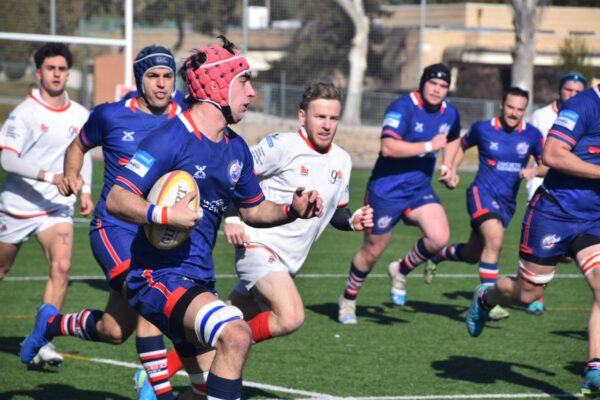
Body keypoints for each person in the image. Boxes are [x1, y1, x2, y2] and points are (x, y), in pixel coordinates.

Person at [25, 36, 322, 400]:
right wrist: (165, 214)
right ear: (217, 86)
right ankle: (154, 388)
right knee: (237, 334)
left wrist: (292, 209)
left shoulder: (236, 148)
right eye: (244, 82)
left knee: (198, 388)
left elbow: (254, 210)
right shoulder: (170, 138)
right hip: (157, 277)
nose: (252, 94)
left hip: (197, 279)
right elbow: (118, 197)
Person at [21, 45, 184, 400]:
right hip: (115, 229)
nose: (161, 84)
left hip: (158, 232)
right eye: (153, 76)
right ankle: (156, 390)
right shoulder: (110, 115)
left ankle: (51, 322)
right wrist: (72, 175)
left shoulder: (185, 113)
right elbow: (78, 146)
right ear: (140, 80)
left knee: (114, 330)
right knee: (150, 294)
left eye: (167, 76)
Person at [464, 84, 600, 397]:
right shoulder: (583, 105)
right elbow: (552, 154)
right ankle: (486, 298)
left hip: (593, 219)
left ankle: (594, 367)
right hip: (554, 212)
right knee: (528, 295)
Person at [223, 81, 373, 344]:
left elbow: (337, 212)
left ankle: (167, 366)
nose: (327, 125)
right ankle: (229, 348)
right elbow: (236, 173)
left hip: (290, 262)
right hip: (257, 246)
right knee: (290, 316)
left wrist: (351, 220)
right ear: (302, 117)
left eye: (333, 118)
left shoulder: (342, 160)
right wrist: (233, 217)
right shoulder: (282, 145)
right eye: (320, 117)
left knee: (226, 320)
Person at [337, 63, 461, 324]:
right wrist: (428, 145)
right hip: (386, 191)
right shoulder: (402, 107)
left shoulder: (450, 113)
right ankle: (348, 299)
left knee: (439, 238)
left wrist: (449, 166)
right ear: (422, 82)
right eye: (433, 84)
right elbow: (388, 148)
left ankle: (401, 269)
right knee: (372, 251)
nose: (438, 90)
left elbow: (452, 139)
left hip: (419, 190)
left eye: (443, 86)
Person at [0, 42, 93, 367]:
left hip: (56, 208)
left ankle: (42, 341)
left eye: (62, 68)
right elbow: (7, 160)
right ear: (39, 73)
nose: (57, 74)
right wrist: (50, 176)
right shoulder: (25, 113)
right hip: (18, 205)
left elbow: (84, 152)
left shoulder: (81, 114)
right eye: (51, 68)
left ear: (68, 73)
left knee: (63, 267)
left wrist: (85, 190)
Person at [428, 87, 545, 321]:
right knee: (495, 240)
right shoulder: (483, 129)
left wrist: (535, 170)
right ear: (501, 105)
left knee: (473, 253)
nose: (514, 113)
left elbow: (547, 164)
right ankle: (488, 301)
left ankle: (439, 255)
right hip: (480, 193)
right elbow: (460, 145)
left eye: (520, 109)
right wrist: (451, 169)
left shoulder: (532, 135)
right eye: (510, 107)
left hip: (507, 203)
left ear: (525, 110)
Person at [524, 71, 587, 315]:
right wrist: (532, 171)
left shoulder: (586, 114)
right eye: (568, 90)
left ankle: (534, 286)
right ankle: (534, 293)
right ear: (559, 90)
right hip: (541, 192)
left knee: (563, 254)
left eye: (577, 92)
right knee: (547, 250)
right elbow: (533, 148)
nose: (571, 95)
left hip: (571, 195)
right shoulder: (541, 116)